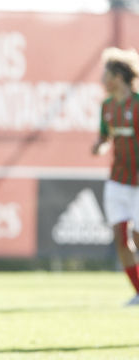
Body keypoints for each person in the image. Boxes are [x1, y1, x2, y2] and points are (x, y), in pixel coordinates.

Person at [92, 47, 139, 306]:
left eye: (106, 74)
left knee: (138, 238)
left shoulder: (138, 103)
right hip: (118, 181)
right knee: (121, 239)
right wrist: (99, 145)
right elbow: (105, 135)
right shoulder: (107, 106)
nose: (102, 80)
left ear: (118, 76)